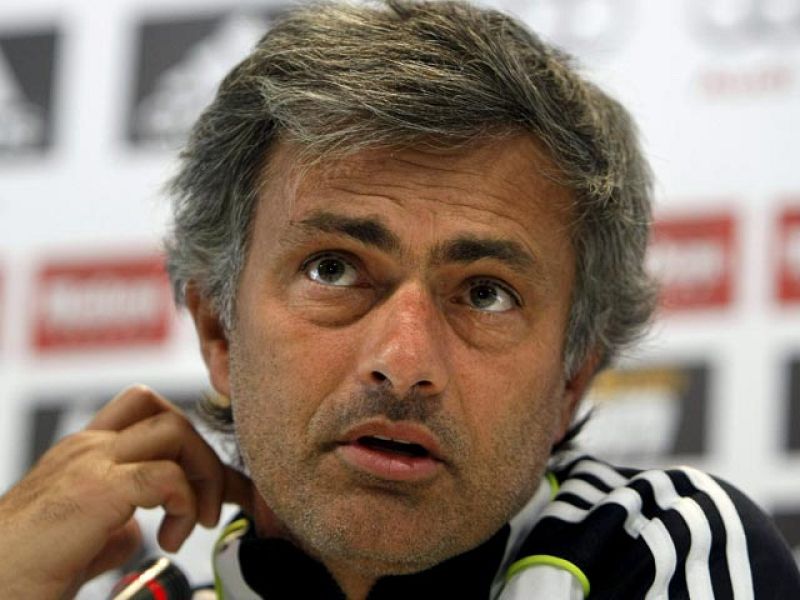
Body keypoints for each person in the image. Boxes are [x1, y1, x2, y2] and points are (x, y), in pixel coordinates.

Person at [1, 1, 798, 598]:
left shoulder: (661, 552)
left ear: (571, 378)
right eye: (333, 270)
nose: (404, 361)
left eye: (484, 293)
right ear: (219, 331)